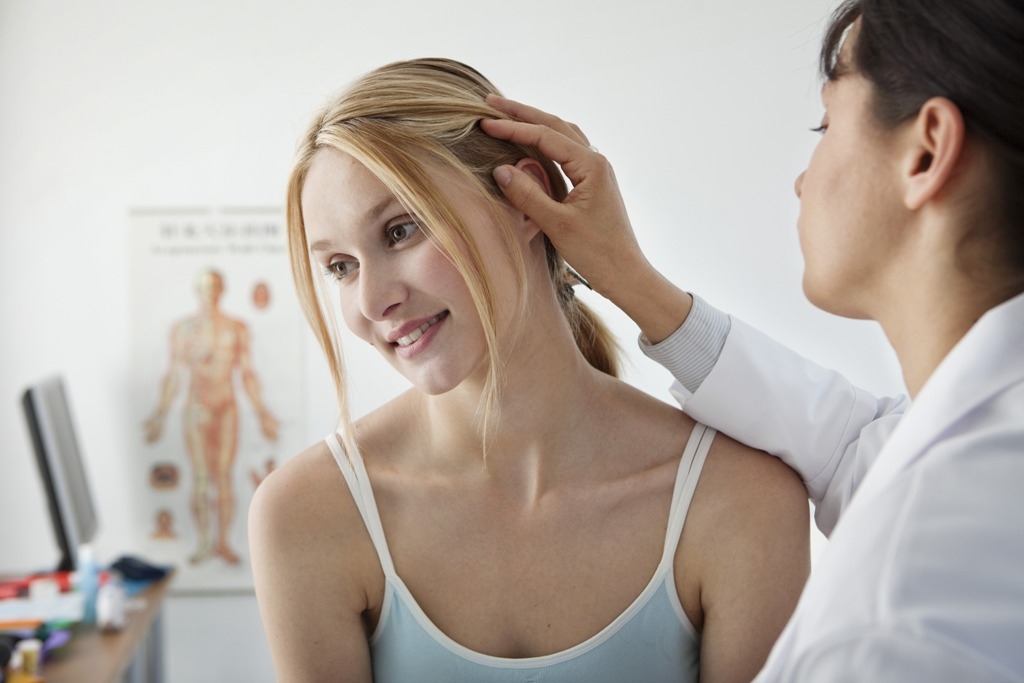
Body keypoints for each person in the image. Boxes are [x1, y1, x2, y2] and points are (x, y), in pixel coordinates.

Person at [480, 0, 1024, 680]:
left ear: (926, 151)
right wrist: (632, 279)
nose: (802, 178)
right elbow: (855, 442)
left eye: (827, 123)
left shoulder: (896, 624)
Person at [248, 58, 811, 682]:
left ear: (526, 200)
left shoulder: (737, 503)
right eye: (339, 267)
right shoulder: (310, 514)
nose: (373, 301)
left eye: (401, 230)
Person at [144, 268, 280, 565]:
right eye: (205, 286)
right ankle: (205, 542)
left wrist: (263, 413)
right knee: (203, 478)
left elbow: (247, 374)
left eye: (215, 286)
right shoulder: (183, 329)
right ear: (198, 290)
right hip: (196, 408)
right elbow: (174, 375)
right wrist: (159, 415)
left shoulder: (236, 327)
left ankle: (222, 543)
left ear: (222, 289)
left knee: (224, 477)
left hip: (226, 407)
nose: (210, 292)